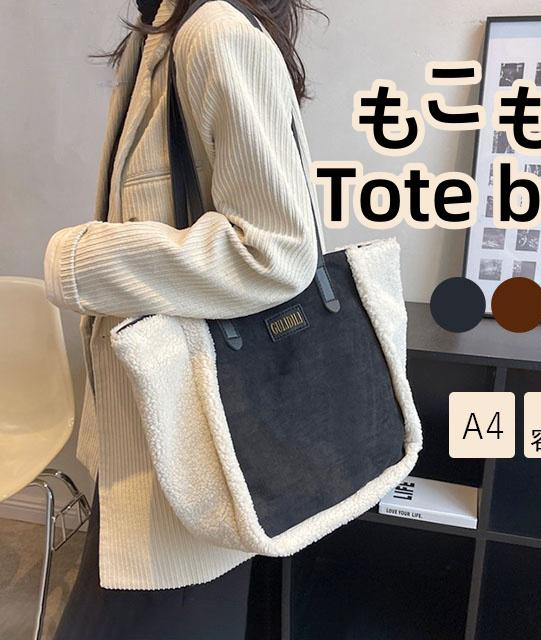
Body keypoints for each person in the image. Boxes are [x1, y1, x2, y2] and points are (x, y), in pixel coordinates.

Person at [44, 0, 323, 637]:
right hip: (152, 430)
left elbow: (277, 251)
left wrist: (83, 261)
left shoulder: (213, 33)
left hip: (190, 438)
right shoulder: (161, 35)